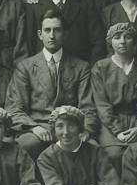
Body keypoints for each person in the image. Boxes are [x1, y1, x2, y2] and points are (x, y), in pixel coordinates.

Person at [6, 10, 98, 160]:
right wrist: (33, 127)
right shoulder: (25, 67)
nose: (52, 35)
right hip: (37, 126)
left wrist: (85, 130)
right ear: (40, 34)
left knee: (93, 147)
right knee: (26, 144)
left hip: (71, 128)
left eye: (57, 30)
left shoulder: (81, 67)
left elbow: (88, 107)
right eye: (47, 30)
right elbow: (15, 108)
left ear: (65, 34)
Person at [91, 23, 137, 171]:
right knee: (113, 154)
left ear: (134, 41)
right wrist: (118, 131)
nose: (122, 41)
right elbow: (102, 105)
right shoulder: (101, 68)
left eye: (127, 37)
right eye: (117, 37)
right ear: (110, 41)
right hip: (110, 125)